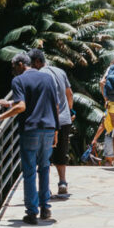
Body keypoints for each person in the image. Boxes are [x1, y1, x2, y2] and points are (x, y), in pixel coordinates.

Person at [0, 52, 59, 224]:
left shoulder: (18, 81)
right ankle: (45, 208)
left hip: (30, 130)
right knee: (44, 168)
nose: (12, 70)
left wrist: (0, 117)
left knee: (29, 172)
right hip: (48, 128)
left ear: (21, 64)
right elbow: (54, 105)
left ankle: (32, 213)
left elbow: (22, 106)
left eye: (13, 66)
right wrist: (56, 131)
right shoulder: (48, 78)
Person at [29, 49, 74, 197]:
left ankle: (45, 187)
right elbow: (70, 94)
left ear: (36, 62)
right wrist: (69, 111)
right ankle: (62, 182)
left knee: (44, 156)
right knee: (61, 151)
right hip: (65, 119)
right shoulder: (60, 71)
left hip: (48, 120)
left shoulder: (40, 75)